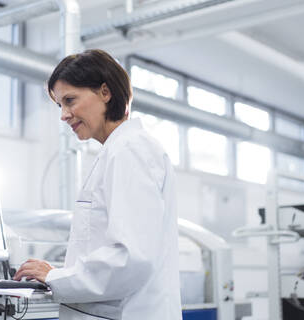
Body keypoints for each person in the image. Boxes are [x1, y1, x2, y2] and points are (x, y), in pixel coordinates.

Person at [14, 49, 182, 319]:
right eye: (60, 105)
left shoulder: (129, 150)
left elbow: (131, 258)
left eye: (70, 100)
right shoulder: (120, 150)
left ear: (105, 92)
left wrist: (56, 277)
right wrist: (60, 273)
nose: (64, 115)